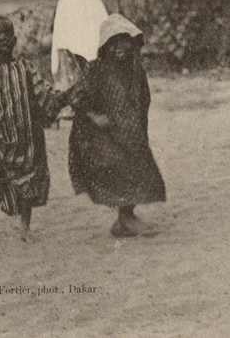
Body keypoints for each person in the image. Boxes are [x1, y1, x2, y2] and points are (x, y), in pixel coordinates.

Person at [0, 17, 70, 249]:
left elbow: (44, 95)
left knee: (29, 183)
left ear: (14, 39)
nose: (2, 38)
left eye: (7, 33)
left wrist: (61, 98)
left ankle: (25, 226)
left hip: (26, 138)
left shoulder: (26, 68)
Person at [68, 14, 167, 237]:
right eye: (113, 43)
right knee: (123, 169)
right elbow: (76, 98)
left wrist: (138, 125)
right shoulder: (98, 70)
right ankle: (126, 218)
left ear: (133, 43)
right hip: (99, 133)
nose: (119, 48)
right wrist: (96, 117)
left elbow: (143, 99)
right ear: (105, 46)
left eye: (124, 41)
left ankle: (124, 220)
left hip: (129, 131)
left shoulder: (135, 70)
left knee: (140, 167)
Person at [51, 0, 109, 126]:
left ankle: (80, 108)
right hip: (72, 44)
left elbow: (92, 18)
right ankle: (75, 107)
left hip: (77, 45)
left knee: (79, 76)